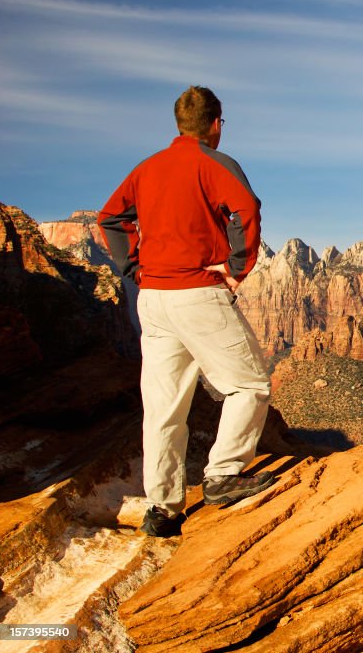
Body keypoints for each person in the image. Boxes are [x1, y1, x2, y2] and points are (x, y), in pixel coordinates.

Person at [98, 85, 274, 538]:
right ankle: (223, 475)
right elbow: (247, 210)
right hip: (197, 291)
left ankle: (163, 506)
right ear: (217, 124)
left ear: (178, 123)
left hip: (152, 299)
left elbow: (111, 219)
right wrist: (238, 267)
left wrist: (132, 266)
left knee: (163, 405)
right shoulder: (215, 163)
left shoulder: (147, 167)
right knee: (249, 384)